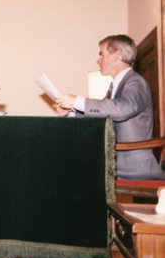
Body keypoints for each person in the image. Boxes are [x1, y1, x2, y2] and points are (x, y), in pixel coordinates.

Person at [55, 34, 163, 180]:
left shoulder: (136, 82)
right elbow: (103, 114)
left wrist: (77, 101)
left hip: (133, 167)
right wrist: (71, 112)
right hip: (118, 163)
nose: (98, 60)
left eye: (102, 55)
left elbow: (122, 109)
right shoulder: (115, 86)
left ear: (117, 56)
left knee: (70, 170)